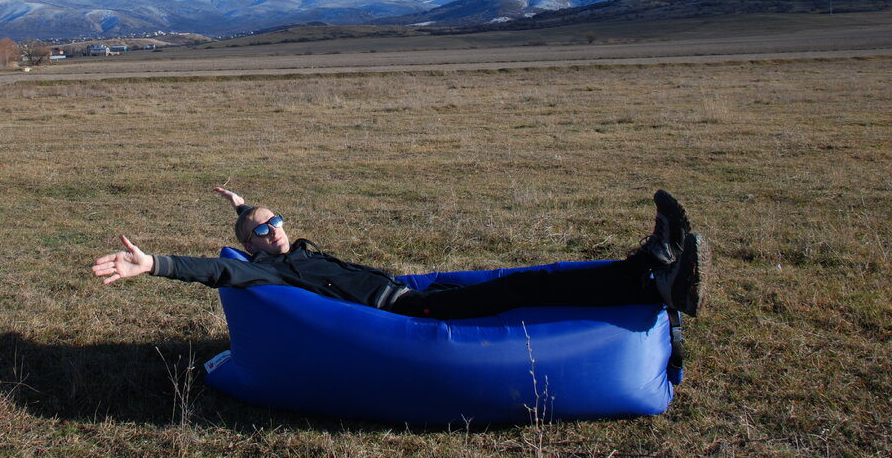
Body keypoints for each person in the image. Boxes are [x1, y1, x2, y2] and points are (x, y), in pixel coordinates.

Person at [93, 186, 704, 319]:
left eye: (278, 219)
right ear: (253, 248)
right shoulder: (265, 270)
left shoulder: (283, 244)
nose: (275, 230)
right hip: (408, 313)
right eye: (263, 229)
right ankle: (650, 277)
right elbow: (221, 268)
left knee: (533, 276)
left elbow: (250, 229)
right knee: (525, 291)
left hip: (416, 292)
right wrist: (155, 264)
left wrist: (243, 206)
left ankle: (649, 266)